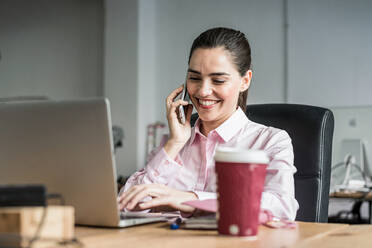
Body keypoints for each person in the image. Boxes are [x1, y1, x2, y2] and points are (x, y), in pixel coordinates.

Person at [118, 27, 299, 220]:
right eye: (194, 78)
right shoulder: (174, 142)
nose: (203, 91)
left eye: (218, 80)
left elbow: (282, 207)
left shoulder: (270, 141)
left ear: (245, 81)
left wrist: (191, 199)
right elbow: (124, 207)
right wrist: (174, 144)